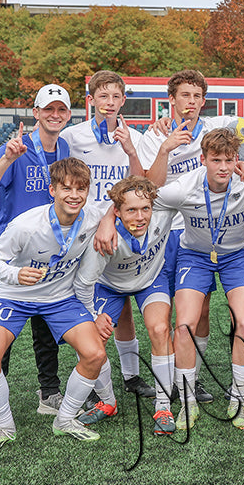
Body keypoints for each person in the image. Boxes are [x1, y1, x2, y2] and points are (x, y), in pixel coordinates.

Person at [146, 128, 244, 429]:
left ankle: (238, 400)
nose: (223, 167)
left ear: (237, 160)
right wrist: (107, 220)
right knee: (184, 325)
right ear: (202, 159)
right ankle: (188, 402)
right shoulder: (184, 187)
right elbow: (146, 194)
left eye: (229, 160)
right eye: (216, 160)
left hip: (237, 256)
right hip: (195, 255)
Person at [0, 158, 110, 454]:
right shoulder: (26, 225)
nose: (74, 195)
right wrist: (15, 274)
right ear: (52, 190)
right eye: (66, 188)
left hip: (59, 298)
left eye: (81, 189)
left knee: (95, 354)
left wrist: (109, 224)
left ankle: (65, 420)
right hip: (14, 296)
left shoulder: (92, 217)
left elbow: (116, 206)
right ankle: (3, 427)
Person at [0, 84, 73, 417]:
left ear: (68, 115)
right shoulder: (17, 148)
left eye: (61, 109)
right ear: (36, 113)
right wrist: (6, 158)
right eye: (49, 109)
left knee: (46, 330)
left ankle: (49, 394)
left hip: (46, 255)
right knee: (1, 334)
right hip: (9, 256)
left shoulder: (65, 148)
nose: (55, 115)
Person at [61, 70, 155, 399]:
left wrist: (130, 150)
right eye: (103, 96)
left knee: (123, 303)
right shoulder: (73, 137)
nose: (110, 102)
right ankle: (90, 378)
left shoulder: (135, 137)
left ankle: (130, 376)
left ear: (123, 100)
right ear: (91, 100)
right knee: (85, 308)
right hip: (85, 232)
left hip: (123, 230)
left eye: (116, 96)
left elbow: (142, 184)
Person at [73, 176, 177, 433]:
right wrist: (94, 316)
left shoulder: (164, 212)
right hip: (109, 285)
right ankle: (108, 402)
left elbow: (197, 183)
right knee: (91, 339)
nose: (140, 217)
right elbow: (83, 284)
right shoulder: (103, 240)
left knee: (160, 329)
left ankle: (163, 406)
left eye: (145, 209)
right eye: (131, 210)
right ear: (117, 212)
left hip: (150, 279)